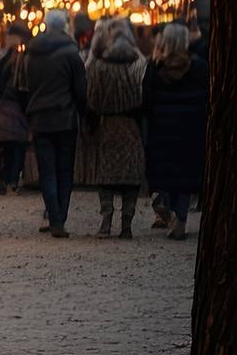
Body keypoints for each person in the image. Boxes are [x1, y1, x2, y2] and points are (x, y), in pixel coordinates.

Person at [77, 16, 148, 238]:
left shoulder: (99, 67)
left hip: (107, 125)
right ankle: (126, 224)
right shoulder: (139, 65)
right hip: (131, 126)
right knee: (131, 177)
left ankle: (106, 221)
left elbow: (92, 100)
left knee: (106, 177)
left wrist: (91, 124)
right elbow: (145, 98)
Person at [20, 8, 89, 237]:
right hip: (65, 118)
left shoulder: (31, 51)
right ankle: (60, 217)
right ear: (65, 26)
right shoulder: (71, 52)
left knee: (47, 170)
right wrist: (85, 115)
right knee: (65, 170)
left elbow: (22, 85)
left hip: (40, 118)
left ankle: (55, 217)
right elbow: (80, 90)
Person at [143, 22, 209, 240]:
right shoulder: (198, 67)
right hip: (191, 129)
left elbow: (147, 100)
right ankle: (180, 218)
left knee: (168, 173)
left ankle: (171, 212)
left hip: (162, 129)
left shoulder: (155, 66)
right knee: (185, 175)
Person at [0, 21, 31, 194]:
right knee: (17, 148)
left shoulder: (2, 58)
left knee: (7, 149)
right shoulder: (22, 59)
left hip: (3, 109)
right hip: (15, 108)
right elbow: (23, 89)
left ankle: (4, 180)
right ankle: (12, 180)